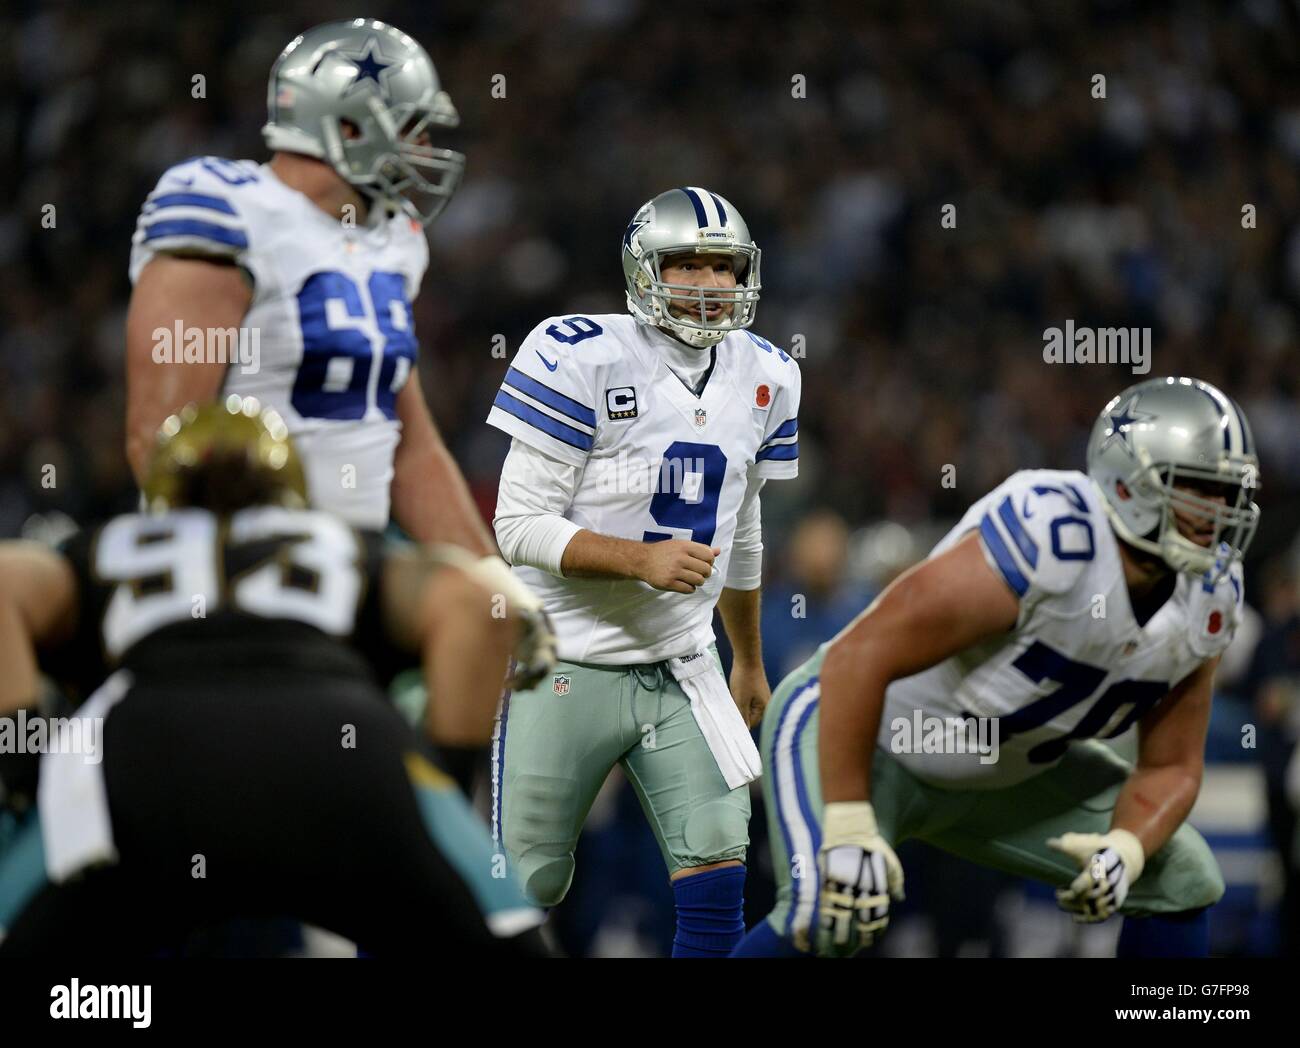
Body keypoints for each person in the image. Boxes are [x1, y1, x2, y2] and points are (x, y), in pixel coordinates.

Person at [733, 376, 1260, 958]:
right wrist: (851, 823)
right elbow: (861, 657)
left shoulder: (1209, 597)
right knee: (835, 912)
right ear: (1130, 479)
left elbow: (1171, 766)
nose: (1217, 512)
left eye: (1228, 492)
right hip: (864, 734)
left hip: (1005, 771)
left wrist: (1127, 849)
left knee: (1179, 875)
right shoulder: (1054, 535)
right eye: (1197, 488)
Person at [0, 398, 547, 957]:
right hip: (341, 748)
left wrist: (22, 764)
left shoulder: (109, 547)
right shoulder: (341, 547)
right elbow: (476, 604)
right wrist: (438, 783)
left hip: (146, 750)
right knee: (511, 940)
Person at [122, 19, 549, 694]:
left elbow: (407, 444)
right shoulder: (226, 210)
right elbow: (162, 441)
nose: (428, 149)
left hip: (355, 573)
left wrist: (492, 580)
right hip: (242, 583)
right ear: (349, 127)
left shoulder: (392, 240)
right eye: (413, 126)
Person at [487, 187, 801, 956]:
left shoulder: (769, 373)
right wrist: (639, 561)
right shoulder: (579, 353)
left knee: (719, 868)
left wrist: (750, 658)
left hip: (683, 666)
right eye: (684, 263)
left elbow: (743, 526)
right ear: (642, 270)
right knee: (521, 890)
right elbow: (516, 526)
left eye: (722, 267)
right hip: (565, 660)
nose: (705, 282)